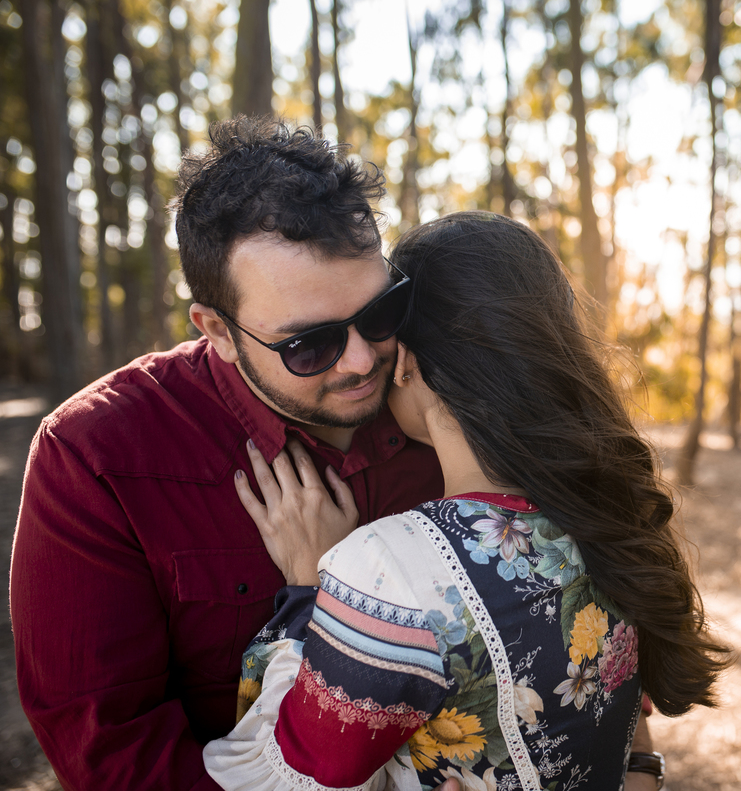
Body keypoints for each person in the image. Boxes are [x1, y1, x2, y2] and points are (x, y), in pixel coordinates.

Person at [201, 212, 731, 790]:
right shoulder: (606, 515)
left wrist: (309, 594)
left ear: (405, 359)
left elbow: (276, 782)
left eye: (379, 328)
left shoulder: (389, 570)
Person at [9, 118, 444, 791]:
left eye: (382, 312)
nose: (363, 360)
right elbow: (117, 764)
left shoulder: (449, 392)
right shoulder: (94, 458)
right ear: (218, 330)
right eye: (310, 344)